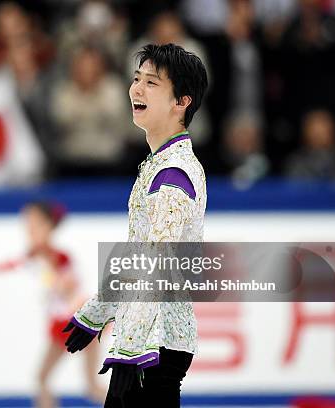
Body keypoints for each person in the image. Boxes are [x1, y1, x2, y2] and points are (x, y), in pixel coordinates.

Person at [62, 43, 208, 407]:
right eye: (136, 79)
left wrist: (130, 349)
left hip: (152, 348)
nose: (137, 89)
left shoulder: (172, 175)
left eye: (152, 83)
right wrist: (97, 310)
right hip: (150, 342)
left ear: (181, 102)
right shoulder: (160, 164)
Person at [0, 201, 105, 408]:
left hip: (77, 322)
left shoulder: (58, 258)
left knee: (52, 380)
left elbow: (69, 286)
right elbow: (16, 263)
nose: (29, 231)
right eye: (27, 225)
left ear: (48, 227)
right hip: (66, 323)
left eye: (34, 225)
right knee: (50, 380)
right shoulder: (36, 256)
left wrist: (53, 279)